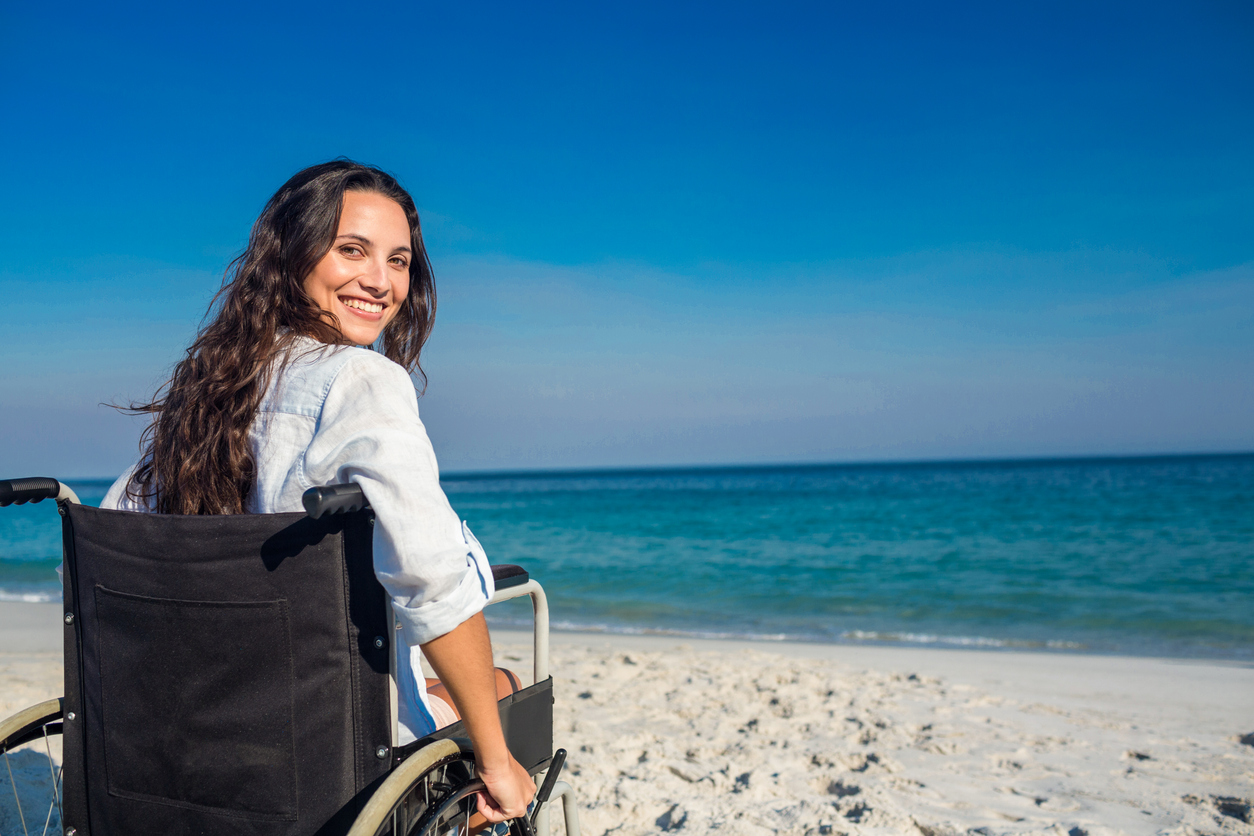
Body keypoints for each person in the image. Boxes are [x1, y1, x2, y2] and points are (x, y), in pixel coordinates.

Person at [100, 159, 535, 826]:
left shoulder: (205, 390)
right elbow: (431, 579)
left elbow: (126, 534)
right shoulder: (361, 381)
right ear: (291, 255)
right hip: (330, 744)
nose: (381, 282)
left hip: (197, 726)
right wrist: (497, 762)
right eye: (351, 250)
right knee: (509, 690)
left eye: (399, 261)